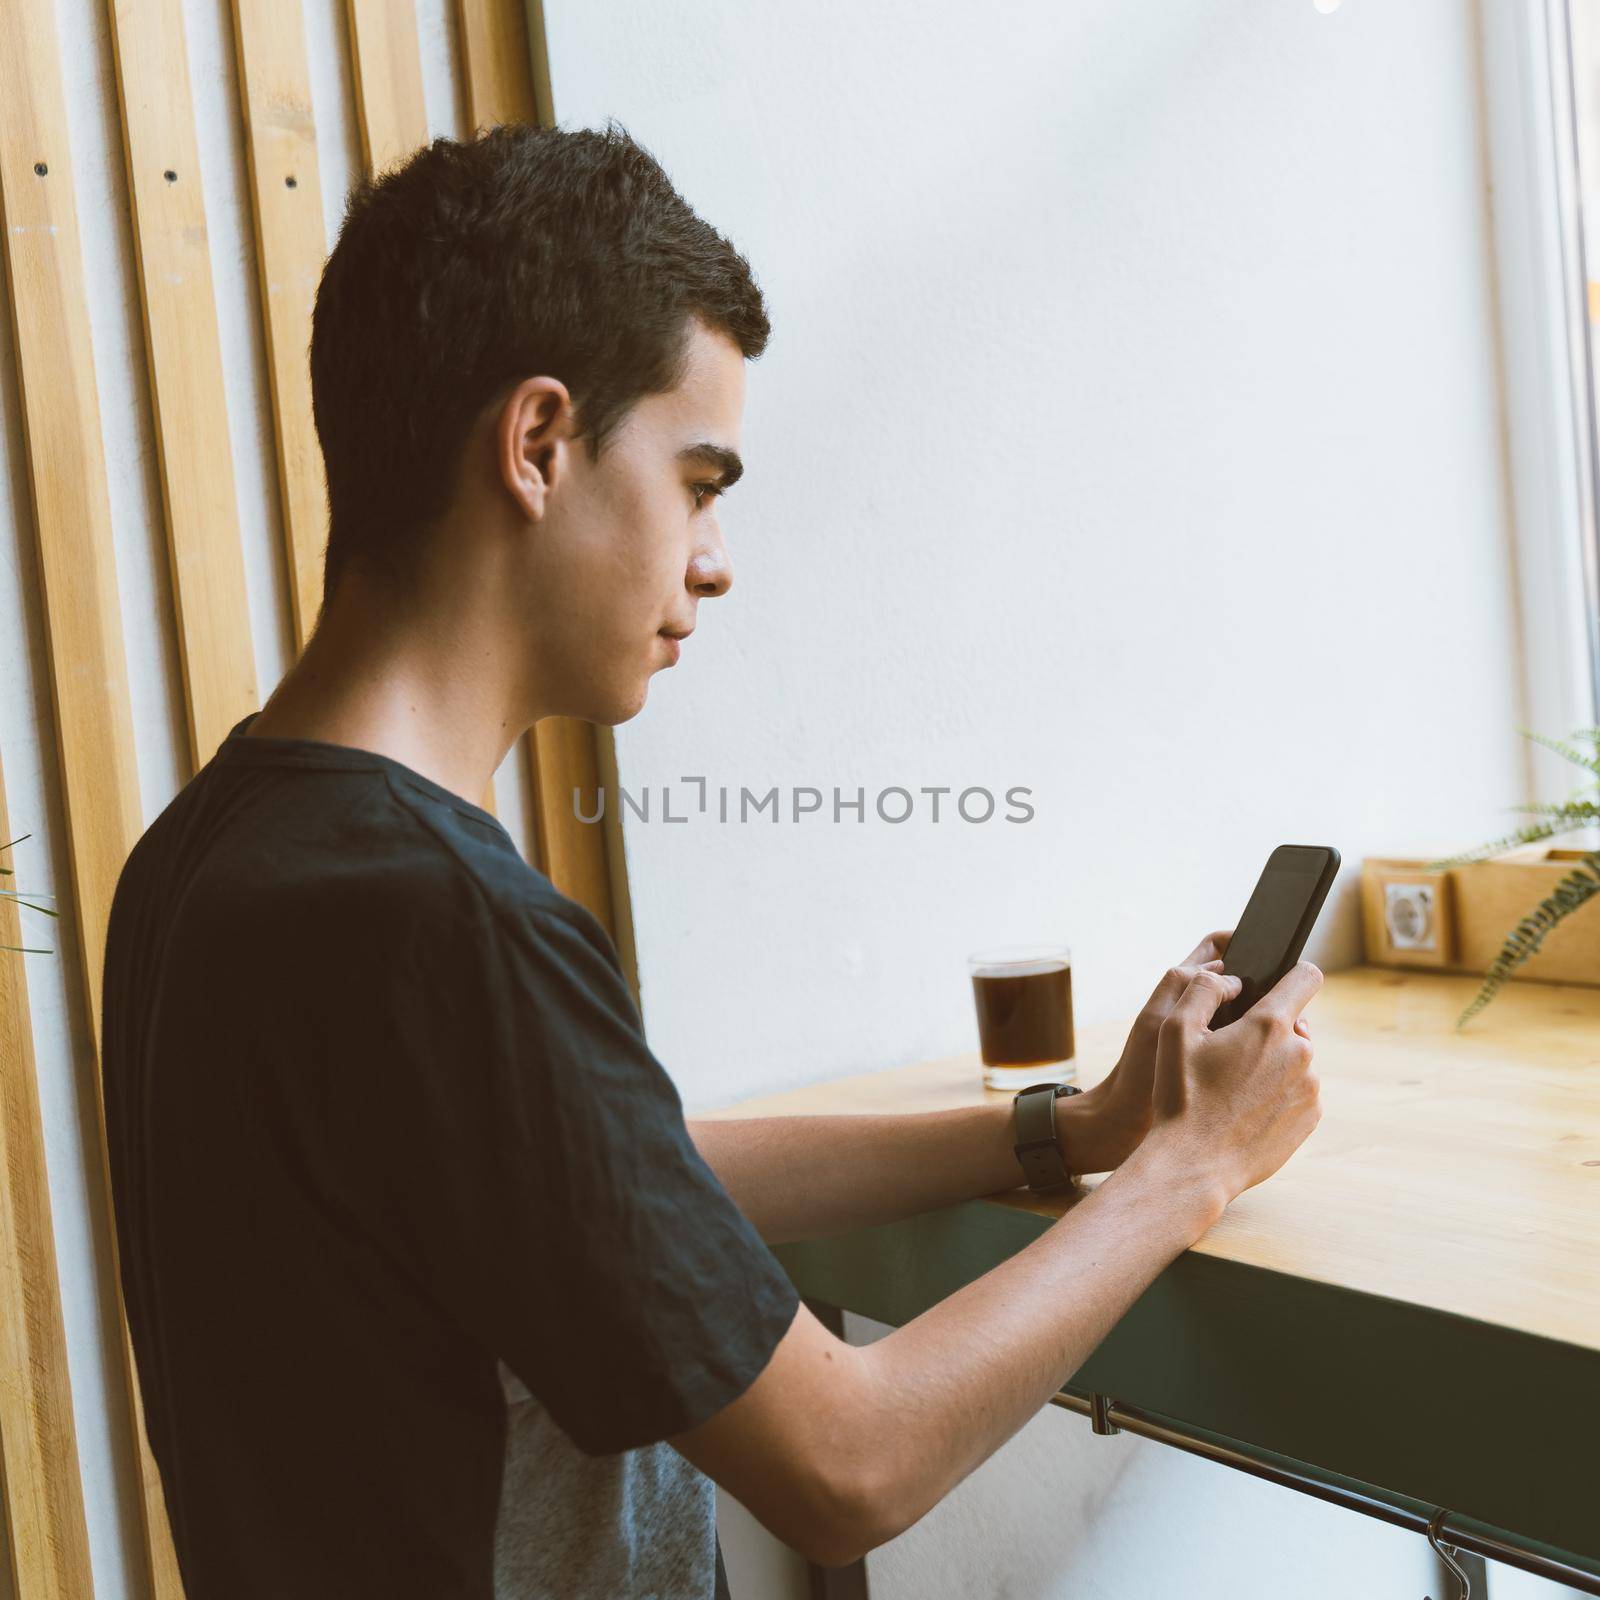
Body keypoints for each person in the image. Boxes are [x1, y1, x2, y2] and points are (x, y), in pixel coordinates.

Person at [100, 120, 1322, 1600]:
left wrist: (1070, 1130)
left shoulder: (209, 859)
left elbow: (618, 1183)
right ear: (539, 443)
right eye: (698, 480)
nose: (717, 555)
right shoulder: (441, 921)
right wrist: (1190, 1171)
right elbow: (849, 1465)